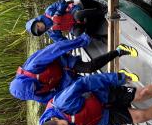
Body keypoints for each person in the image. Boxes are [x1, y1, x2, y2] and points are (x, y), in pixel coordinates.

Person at [10, 33, 139, 103]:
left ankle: (119, 51)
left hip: (62, 62)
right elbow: (55, 97)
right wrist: (75, 90)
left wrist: (82, 40)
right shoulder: (35, 94)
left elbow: (57, 48)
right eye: (34, 91)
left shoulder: (33, 66)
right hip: (63, 81)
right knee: (89, 88)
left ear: (26, 80)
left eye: (33, 86)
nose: (36, 88)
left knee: (89, 68)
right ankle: (119, 77)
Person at [25, 0, 104, 43]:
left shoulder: (49, 11)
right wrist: (68, 48)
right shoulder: (52, 33)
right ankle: (102, 38)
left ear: (38, 21)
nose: (40, 28)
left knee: (78, 15)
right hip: (72, 26)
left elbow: (62, 2)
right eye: (39, 30)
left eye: (38, 26)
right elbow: (62, 41)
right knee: (77, 33)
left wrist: (58, 13)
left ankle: (103, 12)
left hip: (72, 12)